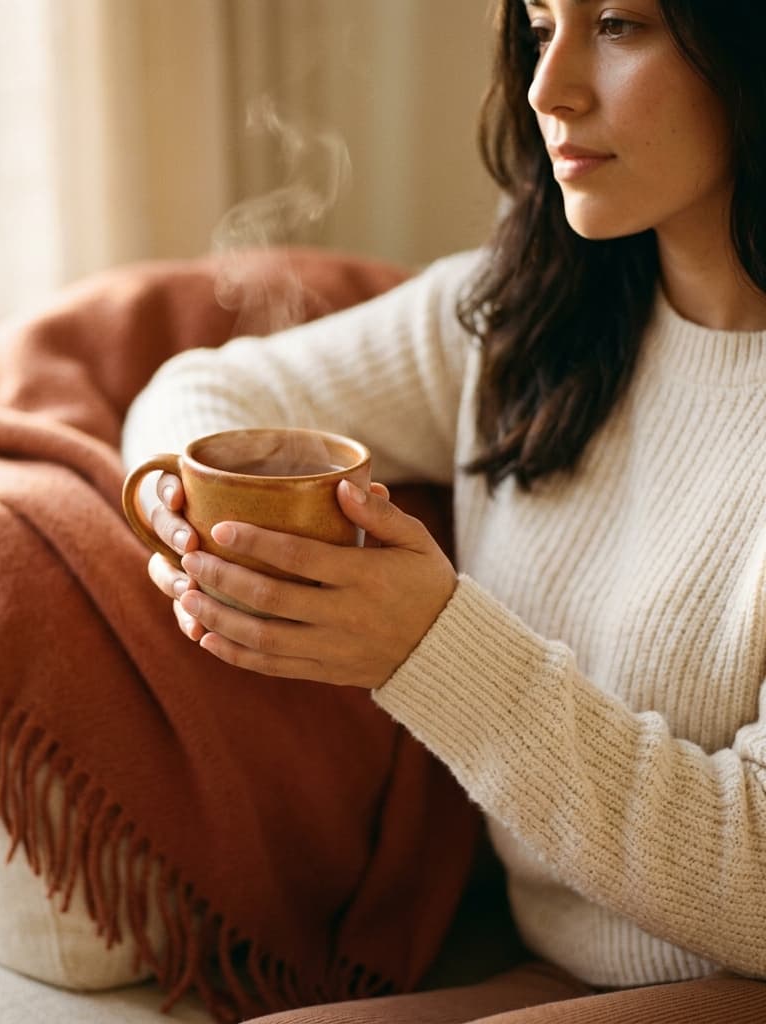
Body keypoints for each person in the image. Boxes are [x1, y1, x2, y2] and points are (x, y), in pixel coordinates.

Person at [120, 0, 766, 1020]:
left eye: (618, 25)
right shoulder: (524, 318)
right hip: (563, 970)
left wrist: (430, 648)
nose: (548, 88)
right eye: (540, 26)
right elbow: (209, 388)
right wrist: (188, 506)